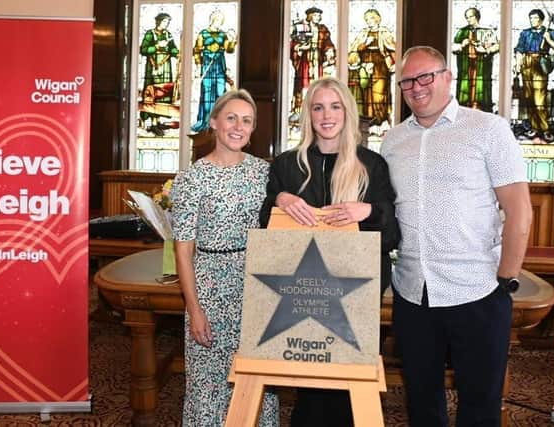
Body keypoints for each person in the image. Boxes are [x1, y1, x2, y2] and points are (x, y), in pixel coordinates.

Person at [381, 46, 532, 426]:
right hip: (413, 292)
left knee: (480, 406)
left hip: (477, 290)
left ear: (449, 77)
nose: (416, 88)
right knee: (421, 402)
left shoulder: (488, 129)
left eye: (425, 77)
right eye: (406, 82)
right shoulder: (392, 140)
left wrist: (506, 280)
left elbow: (519, 210)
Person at [260, 76, 400, 427]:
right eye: (318, 107)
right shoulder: (287, 165)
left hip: (356, 291)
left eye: (335, 106)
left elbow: (392, 236)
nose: (327, 115)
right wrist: (279, 200)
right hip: (301, 292)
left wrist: (367, 211)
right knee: (308, 378)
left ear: (348, 112)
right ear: (308, 114)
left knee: (349, 380)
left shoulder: (372, 165)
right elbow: (267, 232)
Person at [171, 89, 279, 426]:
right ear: (214, 122)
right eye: (231, 117)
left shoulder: (265, 173)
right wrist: (194, 309)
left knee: (257, 377)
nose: (238, 126)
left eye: (246, 121)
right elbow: (183, 249)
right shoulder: (191, 178)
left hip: (257, 285)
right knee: (209, 384)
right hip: (209, 285)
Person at [514, 8, 554, 142]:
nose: (533, 20)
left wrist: (548, 40)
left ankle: (544, 128)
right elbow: (519, 49)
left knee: (539, 97)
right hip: (526, 63)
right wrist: (517, 64)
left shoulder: (549, 32)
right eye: (531, 18)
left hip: (540, 64)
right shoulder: (525, 33)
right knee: (529, 97)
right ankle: (534, 127)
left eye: (535, 18)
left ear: (541, 19)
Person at [191, 10, 237, 133]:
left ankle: (220, 122)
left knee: (220, 92)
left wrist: (233, 40)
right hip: (207, 65)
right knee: (206, 93)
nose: (218, 23)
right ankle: (206, 121)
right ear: (212, 20)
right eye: (217, 20)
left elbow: (230, 49)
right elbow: (196, 51)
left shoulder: (223, 35)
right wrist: (197, 67)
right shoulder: (203, 34)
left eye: (220, 21)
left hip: (219, 65)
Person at [348, 9, 396, 126]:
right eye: (367, 19)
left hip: (380, 66)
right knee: (366, 94)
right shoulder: (364, 33)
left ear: (377, 19)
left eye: (371, 18)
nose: (369, 21)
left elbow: (393, 48)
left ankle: (381, 119)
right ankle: (369, 120)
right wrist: (365, 44)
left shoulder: (384, 32)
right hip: (364, 66)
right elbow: (354, 49)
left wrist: (396, 64)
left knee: (379, 93)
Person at [289, 7, 336, 123]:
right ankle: (301, 111)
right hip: (305, 59)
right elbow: (292, 43)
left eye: (319, 15)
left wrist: (329, 53)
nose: (318, 17)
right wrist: (300, 47)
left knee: (319, 83)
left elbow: (328, 43)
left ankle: (318, 109)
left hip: (318, 59)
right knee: (303, 84)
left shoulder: (323, 29)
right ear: (310, 16)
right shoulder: (302, 27)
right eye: (315, 15)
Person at [451, 7, 499, 112]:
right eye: (467, 17)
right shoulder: (461, 32)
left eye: (471, 16)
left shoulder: (486, 31)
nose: (468, 19)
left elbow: (497, 46)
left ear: (477, 17)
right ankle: (464, 110)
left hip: (481, 67)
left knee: (481, 88)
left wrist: (486, 50)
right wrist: (461, 45)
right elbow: (452, 47)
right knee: (465, 88)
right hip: (466, 67)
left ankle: (481, 109)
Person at [139, 12, 180, 136]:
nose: (166, 24)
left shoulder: (168, 34)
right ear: (158, 22)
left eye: (167, 22)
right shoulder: (150, 34)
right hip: (153, 67)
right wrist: (157, 46)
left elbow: (173, 48)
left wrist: (176, 52)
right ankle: (153, 122)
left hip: (166, 66)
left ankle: (159, 120)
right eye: (164, 22)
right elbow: (144, 49)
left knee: (164, 93)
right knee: (153, 94)